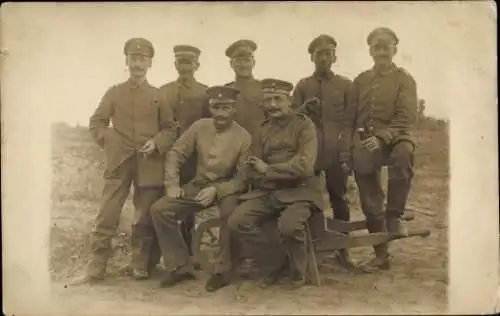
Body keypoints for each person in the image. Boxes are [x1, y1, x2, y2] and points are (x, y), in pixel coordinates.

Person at [72, 38, 177, 284]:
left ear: (150, 63)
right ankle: (95, 269)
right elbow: (96, 123)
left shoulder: (158, 95)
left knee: (143, 217)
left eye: (143, 59)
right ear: (126, 61)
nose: (138, 63)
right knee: (107, 214)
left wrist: (157, 142)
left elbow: (170, 129)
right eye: (133, 58)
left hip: (148, 163)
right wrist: (109, 140)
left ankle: (139, 265)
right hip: (118, 163)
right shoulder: (114, 92)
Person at [150, 86, 251, 292]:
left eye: (226, 108)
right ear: (210, 108)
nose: (221, 113)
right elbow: (176, 153)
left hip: (227, 188)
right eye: (216, 107)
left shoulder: (244, 137)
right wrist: (172, 185)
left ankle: (223, 271)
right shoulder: (200, 127)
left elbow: (242, 179)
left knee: (230, 214)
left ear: (234, 109)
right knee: (160, 209)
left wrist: (218, 191)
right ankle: (180, 265)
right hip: (198, 186)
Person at [227, 78, 323, 287]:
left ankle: (297, 273)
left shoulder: (304, 125)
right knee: (238, 222)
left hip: (301, 192)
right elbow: (253, 165)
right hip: (269, 192)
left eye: (278, 100)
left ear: (289, 101)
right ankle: (276, 262)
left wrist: (268, 170)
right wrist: (256, 174)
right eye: (268, 100)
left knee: (289, 226)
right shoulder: (263, 129)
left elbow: (304, 166)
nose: (272, 105)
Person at [343, 27, 418, 272]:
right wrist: (348, 149)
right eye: (377, 47)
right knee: (369, 195)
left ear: (395, 49)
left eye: (386, 46)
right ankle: (381, 254)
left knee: (403, 155)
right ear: (370, 50)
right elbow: (350, 118)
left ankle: (395, 215)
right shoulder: (360, 80)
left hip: (396, 138)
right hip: (366, 141)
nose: (382, 51)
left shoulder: (404, 79)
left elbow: (405, 118)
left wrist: (383, 138)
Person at [291, 34, 356, 269]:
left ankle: (343, 250)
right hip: (311, 155)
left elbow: (350, 121)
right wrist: (304, 108)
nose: (324, 58)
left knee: (340, 199)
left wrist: (346, 153)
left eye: (329, 53)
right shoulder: (303, 85)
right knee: (310, 199)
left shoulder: (346, 85)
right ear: (312, 57)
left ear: (335, 56)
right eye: (320, 54)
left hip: (337, 153)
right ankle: (314, 246)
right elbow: (290, 119)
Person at [159, 44, 210, 263]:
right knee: (166, 203)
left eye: (189, 63)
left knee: (188, 207)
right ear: (175, 65)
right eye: (181, 62)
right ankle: (169, 254)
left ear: (197, 65)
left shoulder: (205, 92)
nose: (185, 67)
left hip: (193, 158)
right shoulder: (164, 91)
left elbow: (209, 125)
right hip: (167, 155)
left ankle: (189, 252)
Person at [224, 39, 265, 139]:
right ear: (231, 64)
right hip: (233, 146)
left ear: (253, 62)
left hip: (261, 146)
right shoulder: (226, 91)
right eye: (238, 61)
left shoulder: (264, 88)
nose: (243, 65)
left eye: (247, 60)